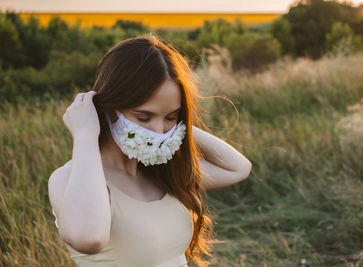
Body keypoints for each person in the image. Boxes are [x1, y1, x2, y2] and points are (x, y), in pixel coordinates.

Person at [47, 33, 252, 267]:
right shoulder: (67, 178)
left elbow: (238, 168)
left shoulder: (162, 172)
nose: (158, 131)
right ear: (109, 109)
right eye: (144, 117)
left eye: (170, 117)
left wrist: (181, 126)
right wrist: (85, 134)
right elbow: (88, 238)